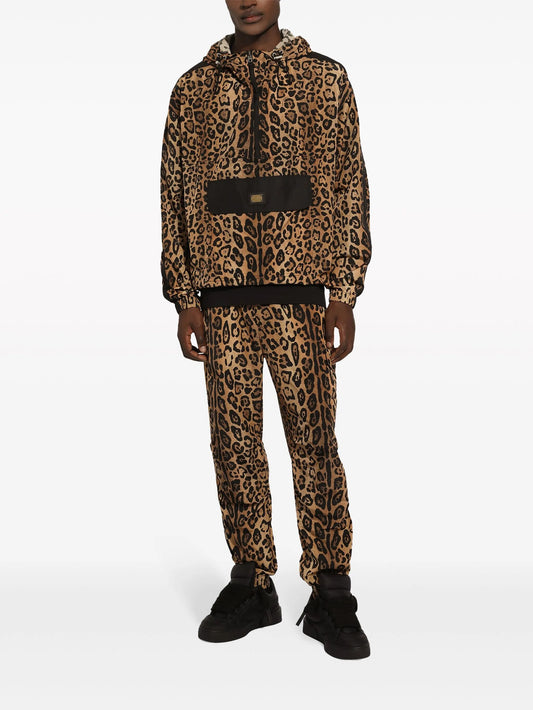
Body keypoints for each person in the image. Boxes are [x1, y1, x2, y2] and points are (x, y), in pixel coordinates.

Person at [160, 0, 372, 660]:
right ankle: (252, 580)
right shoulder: (193, 89)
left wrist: (345, 290)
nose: (249, 1)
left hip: (301, 299)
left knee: (314, 441)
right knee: (234, 445)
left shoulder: (324, 78)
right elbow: (173, 192)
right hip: (220, 301)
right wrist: (183, 295)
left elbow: (349, 184)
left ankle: (331, 589)